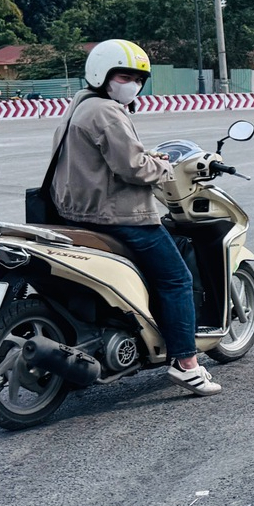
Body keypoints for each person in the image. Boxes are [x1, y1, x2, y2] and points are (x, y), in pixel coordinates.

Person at [49, 40, 221, 396]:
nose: (132, 84)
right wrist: (161, 164)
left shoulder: (78, 107)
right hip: (118, 216)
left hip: (75, 214)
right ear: (102, 74)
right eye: (124, 75)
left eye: (138, 78)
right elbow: (133, 168)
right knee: (176, 278)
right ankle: (186, 363)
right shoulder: (107, 112)